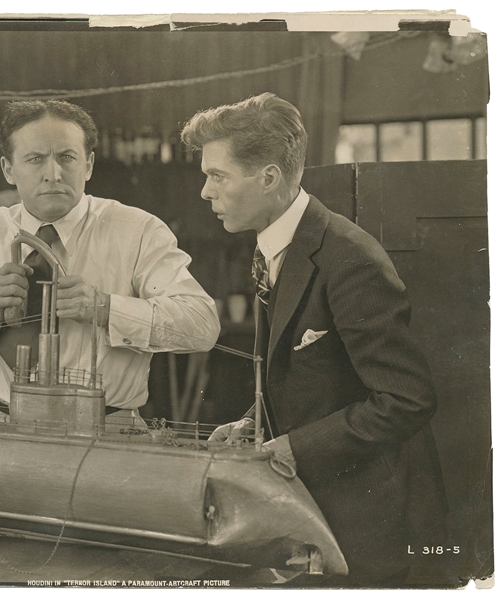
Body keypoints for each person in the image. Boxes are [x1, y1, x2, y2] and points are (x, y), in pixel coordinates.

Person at [181, 93, 447, 586]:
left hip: (372, 529)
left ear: (267, 177)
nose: (204, 192)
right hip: (321, 515)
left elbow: (407, 400)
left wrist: (289, 449)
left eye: (217, 176)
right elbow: (309, 376)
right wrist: (252, 421)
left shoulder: (351, 260)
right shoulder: (274, 243)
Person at [0, 99, 220, 426]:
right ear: (8, 169)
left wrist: (106, 308)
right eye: (35, 159)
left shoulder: (138, 230)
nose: (53, 174)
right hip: (4, 431)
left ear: (87, 165)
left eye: (66, 157)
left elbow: (202, 326)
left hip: (107, 434)